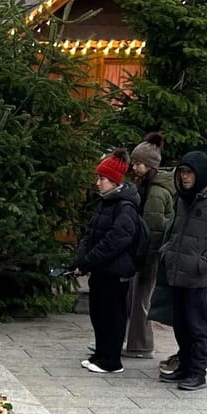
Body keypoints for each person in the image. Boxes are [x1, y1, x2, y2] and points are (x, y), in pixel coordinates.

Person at [156, 151, 207, 392]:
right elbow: (174, 231)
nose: (185, 177)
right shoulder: (182, 199)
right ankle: (185, 364)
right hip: (178, 273)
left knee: (198, 326)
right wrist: (168, 252)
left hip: (198, 277)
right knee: (180, 324)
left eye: (189, 173)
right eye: (181, 173)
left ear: (199, 174)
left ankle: (198, 372)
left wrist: (203, 262)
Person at [75, 152, 142, 374]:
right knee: (98, 313)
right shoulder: (106, 202)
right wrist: (82, 258)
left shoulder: (125, 206)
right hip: (101, 269)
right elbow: (90, 232)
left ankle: (111, 360)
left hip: (115, 271)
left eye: (102, 178)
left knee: (112, 315)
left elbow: (114, 241)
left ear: (114, 180)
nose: (97, 183)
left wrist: (89, 260)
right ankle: (101, 354)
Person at [124, 135, 176, 362]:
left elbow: (153, 229)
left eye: (137, 163)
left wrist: (144, 259)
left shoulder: (155, 192)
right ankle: (134, 341)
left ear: (150, 165)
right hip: (145, 253)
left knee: (141, 301)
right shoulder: (148, 186)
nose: (134, 167)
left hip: (149, 255)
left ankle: (141, 345)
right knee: (136, 299)